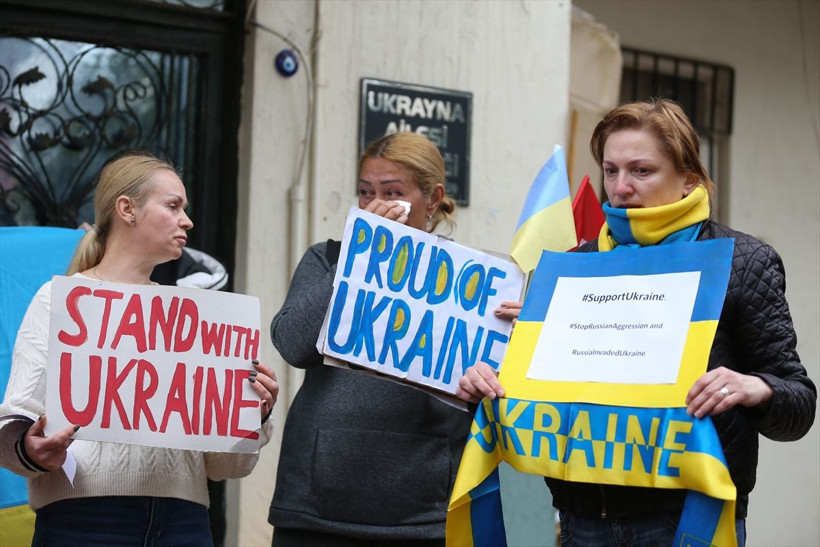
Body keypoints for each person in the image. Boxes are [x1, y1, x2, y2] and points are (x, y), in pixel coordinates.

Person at [457, 99, 817, 546]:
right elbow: (544, 393)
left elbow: (799, 407)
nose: (620, 187)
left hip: (689, 517)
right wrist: (493, 380)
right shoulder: (575, 264)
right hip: (583, 519)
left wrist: (756, 387)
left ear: (689, 179)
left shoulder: (742, 261)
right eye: (610, 171)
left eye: (641, 171)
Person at [0, 151, 279, 546]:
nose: (188, 220)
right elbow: (15, 421)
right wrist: (30, 448)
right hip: (83, 524)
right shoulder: (57, 301)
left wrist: (253, 414)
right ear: (127, 209)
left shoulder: (198, 320)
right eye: (173, 206)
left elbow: (226, 467)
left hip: (184, 524)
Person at [268, 132, 474, 546]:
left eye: (392, 193)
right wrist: (357, 256)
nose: (375, 206)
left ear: (432, 199)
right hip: (317, 505)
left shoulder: (465, 281)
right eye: (366, 192)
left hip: (420, 508)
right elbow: (292, 344)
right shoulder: (328, 258)